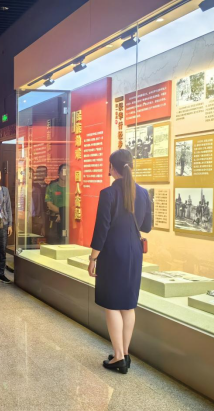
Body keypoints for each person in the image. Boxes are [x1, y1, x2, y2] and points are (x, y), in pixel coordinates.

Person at [88, 149, 151, 375]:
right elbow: (147, 227)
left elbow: (101, 230)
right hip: (134, 252)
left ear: (112, 168)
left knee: (112, 304)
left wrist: (93, 258)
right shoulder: (143, 193)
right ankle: (124, 353)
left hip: (113, 253)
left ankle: (118, 357)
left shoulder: (108, 193)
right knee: (127, 304)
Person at [45, 164, 67, 244]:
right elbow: (49, 205)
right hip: (55, 221)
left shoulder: (73, 187)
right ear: (59, 173)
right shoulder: (51, 187)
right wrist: (62, 213)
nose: (65, 174)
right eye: (63, 171)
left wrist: (63, 215)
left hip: (68, 221)